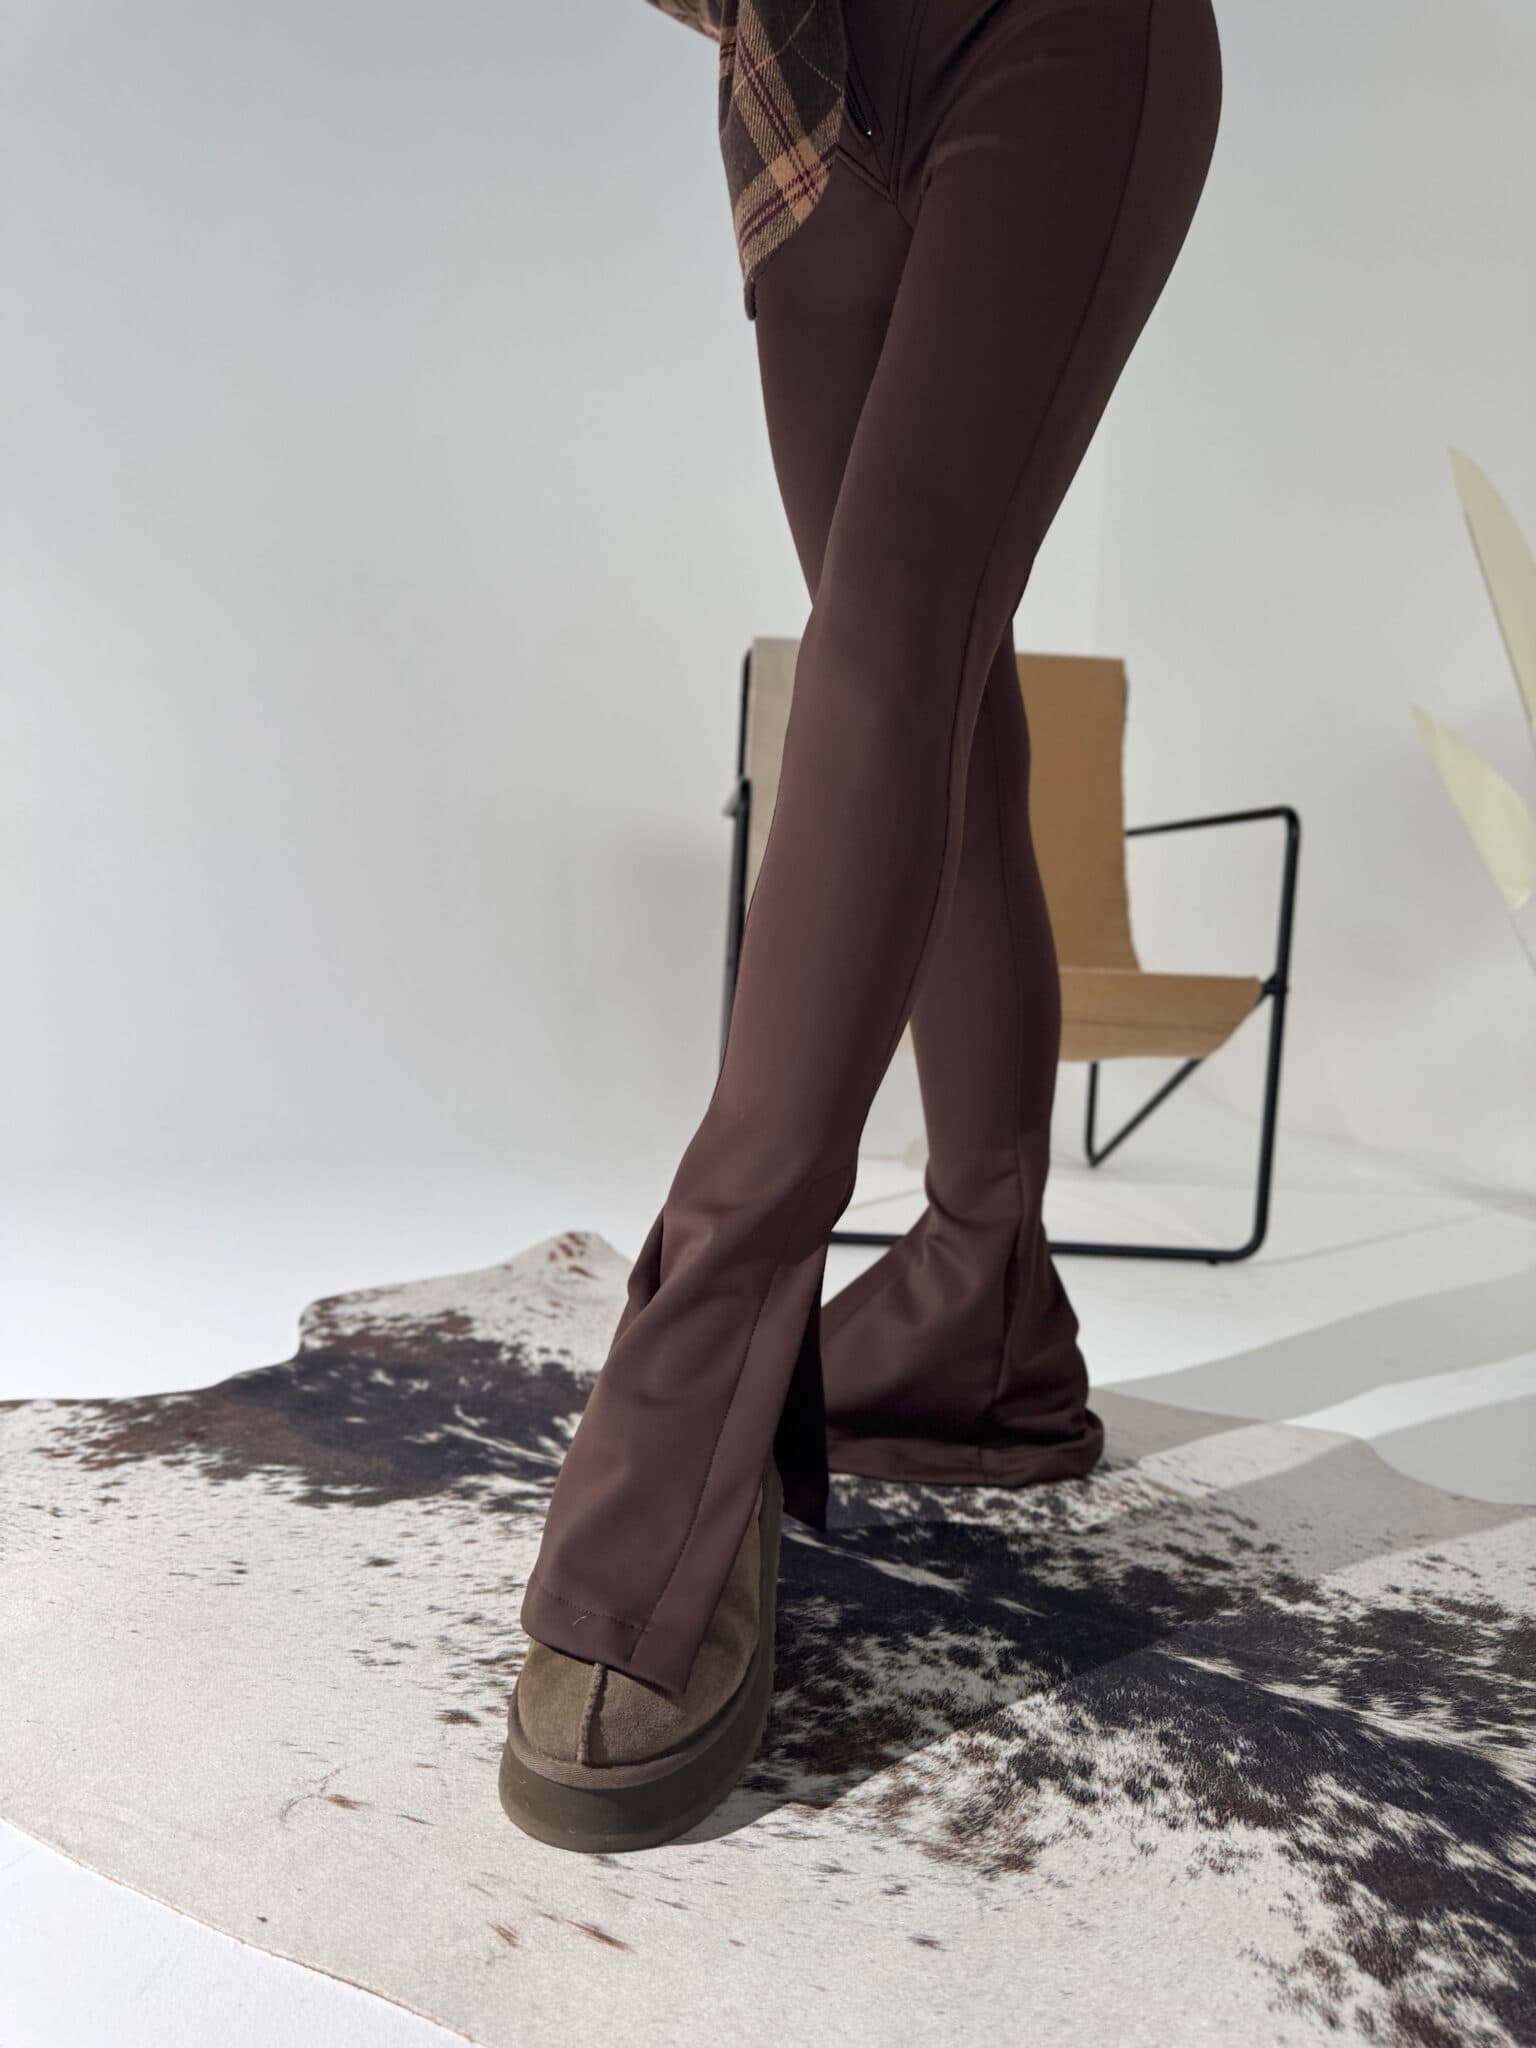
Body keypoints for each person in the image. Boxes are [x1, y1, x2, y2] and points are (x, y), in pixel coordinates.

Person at [499, 0, 1224, 1852]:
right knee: (930, 680)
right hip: (794, 90)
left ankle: (693, 1396)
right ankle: (982, 1309)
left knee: (891, 627)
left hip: (1057, 30)